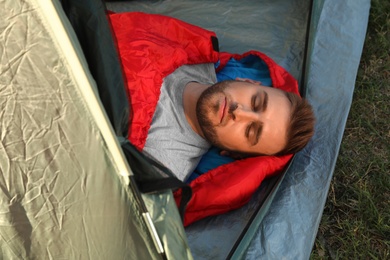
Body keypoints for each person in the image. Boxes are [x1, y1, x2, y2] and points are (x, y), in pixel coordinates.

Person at [142, 63, 315, 181]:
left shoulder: (161, 166)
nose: (239, 112)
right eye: (255, 102)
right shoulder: (194, 52)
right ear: (247, 81)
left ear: (234, 154)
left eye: (250, 131)